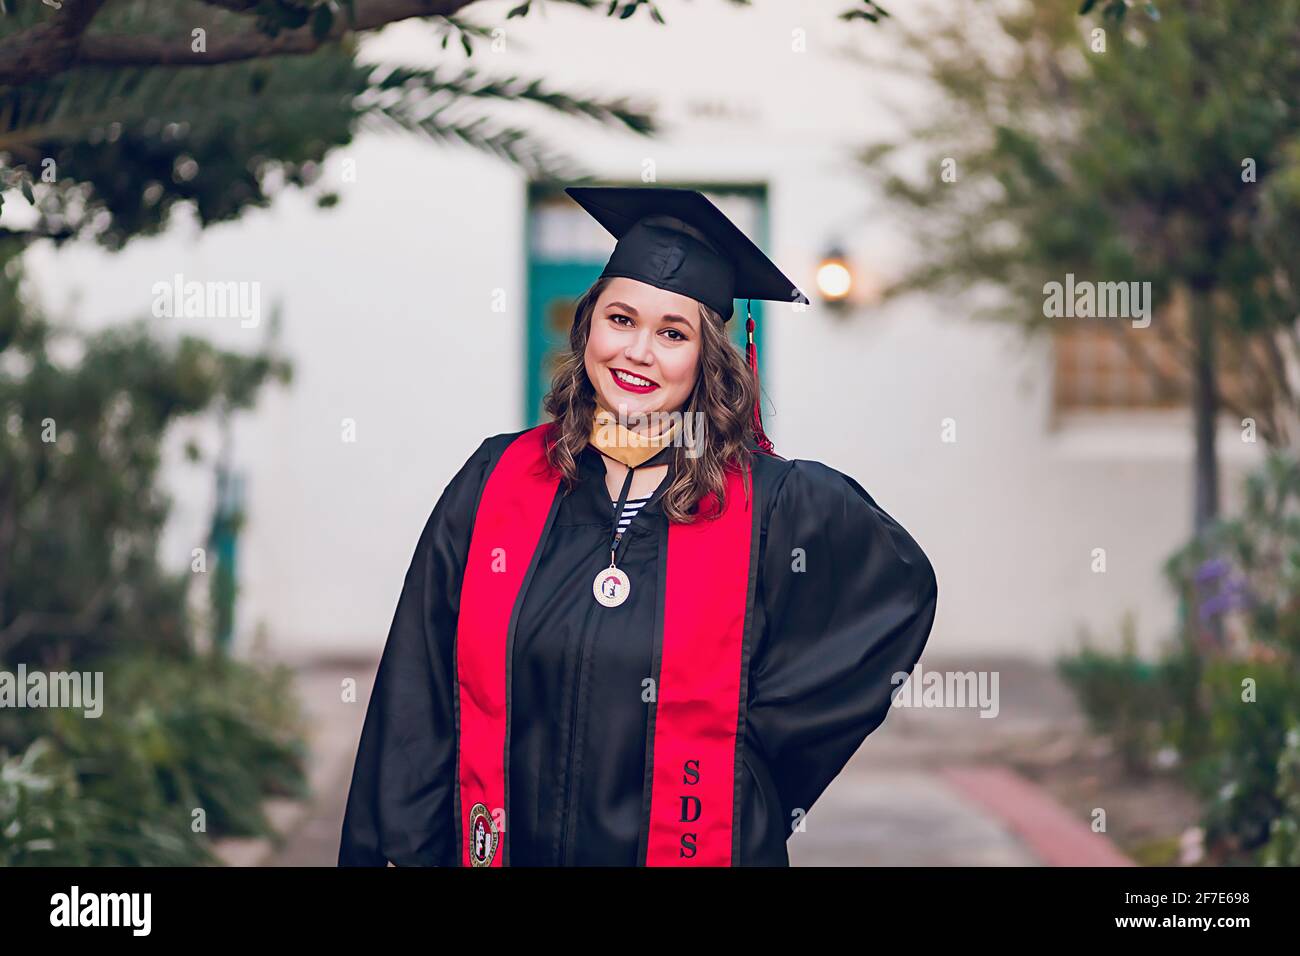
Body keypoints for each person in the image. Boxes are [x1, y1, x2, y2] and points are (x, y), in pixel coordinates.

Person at [337, 186, 939, 867]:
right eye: (621, 319)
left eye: (673, 333)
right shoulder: (497, 481)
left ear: (708, 358)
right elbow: (418, 690)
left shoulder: (771, 506)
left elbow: (896, 591)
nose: (639, 352)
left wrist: (752, 750)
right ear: (588, 327)